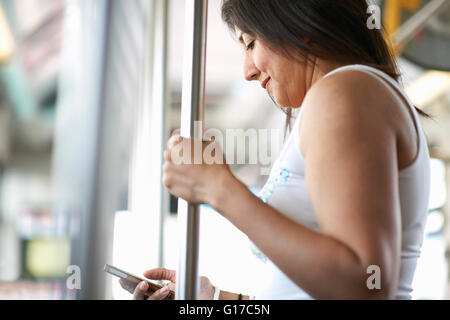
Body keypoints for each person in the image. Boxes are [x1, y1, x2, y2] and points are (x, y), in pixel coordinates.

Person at [120, 0, 431, 300]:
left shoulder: (344, 92)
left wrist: (219, 189)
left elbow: (365, 286)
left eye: (251, 42)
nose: (248, 71)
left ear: (300, 23)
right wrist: (211, 300)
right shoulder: (344, 95)